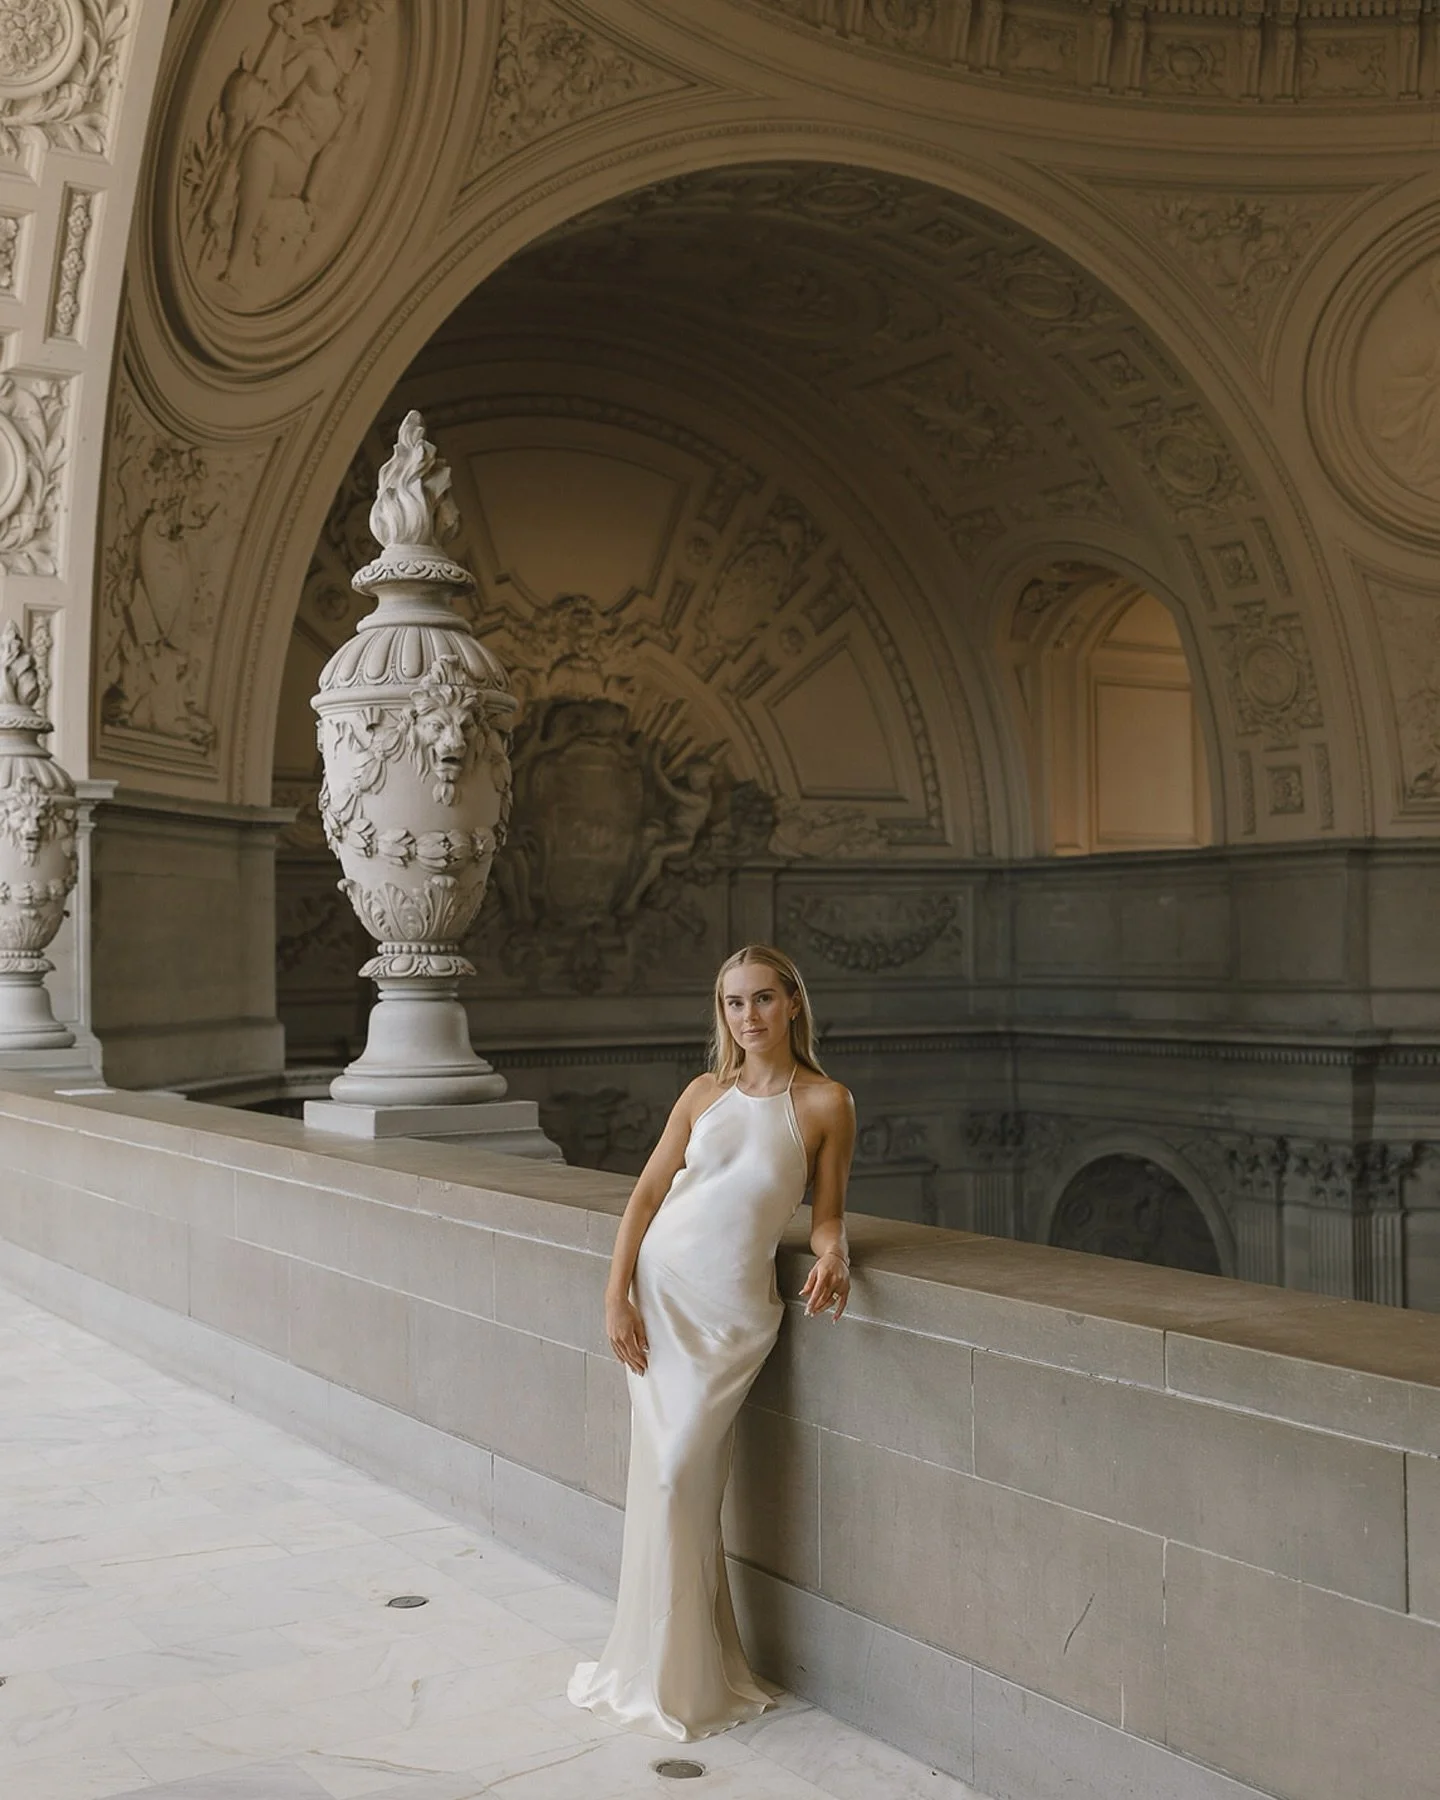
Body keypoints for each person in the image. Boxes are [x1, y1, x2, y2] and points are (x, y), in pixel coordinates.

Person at [567, 944, 855, 1741]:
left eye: (763, 999)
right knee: (667, 1484)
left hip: (732, 1317)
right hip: (661, 1299)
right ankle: (667, 1670)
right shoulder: (703, 1094)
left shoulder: (828, 1102)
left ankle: (688, 1671)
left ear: (793, 1003)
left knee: (679, 1477)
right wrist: (614, 1294)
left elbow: (826, 1212)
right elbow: (648, 1193)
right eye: (734, 1003)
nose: (749, 1017)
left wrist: (833, 1252)